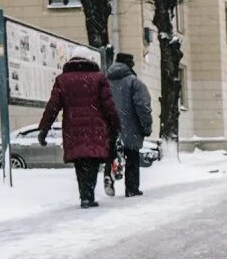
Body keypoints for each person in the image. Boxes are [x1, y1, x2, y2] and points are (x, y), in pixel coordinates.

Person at [38, 46, 121, 209]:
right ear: (90, 59)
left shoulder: (62, 80)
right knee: (92, 161)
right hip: (96, 129)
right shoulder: (99, 79)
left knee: (80, 162)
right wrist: (115, 125)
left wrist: (44, 128)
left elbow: (53, 106)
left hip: (73, 129)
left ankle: (84, 195)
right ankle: (88, 195)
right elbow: (109, 105)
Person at [103, 53, 153, 197]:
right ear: (130, 64)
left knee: (112, 153)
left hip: (110, 126)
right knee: (132, 158)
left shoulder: (105, 82)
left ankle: (109, 174)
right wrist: (146, 126)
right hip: (131, 127)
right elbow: (143, 106)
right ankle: (131, 188)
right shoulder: (134, 83)